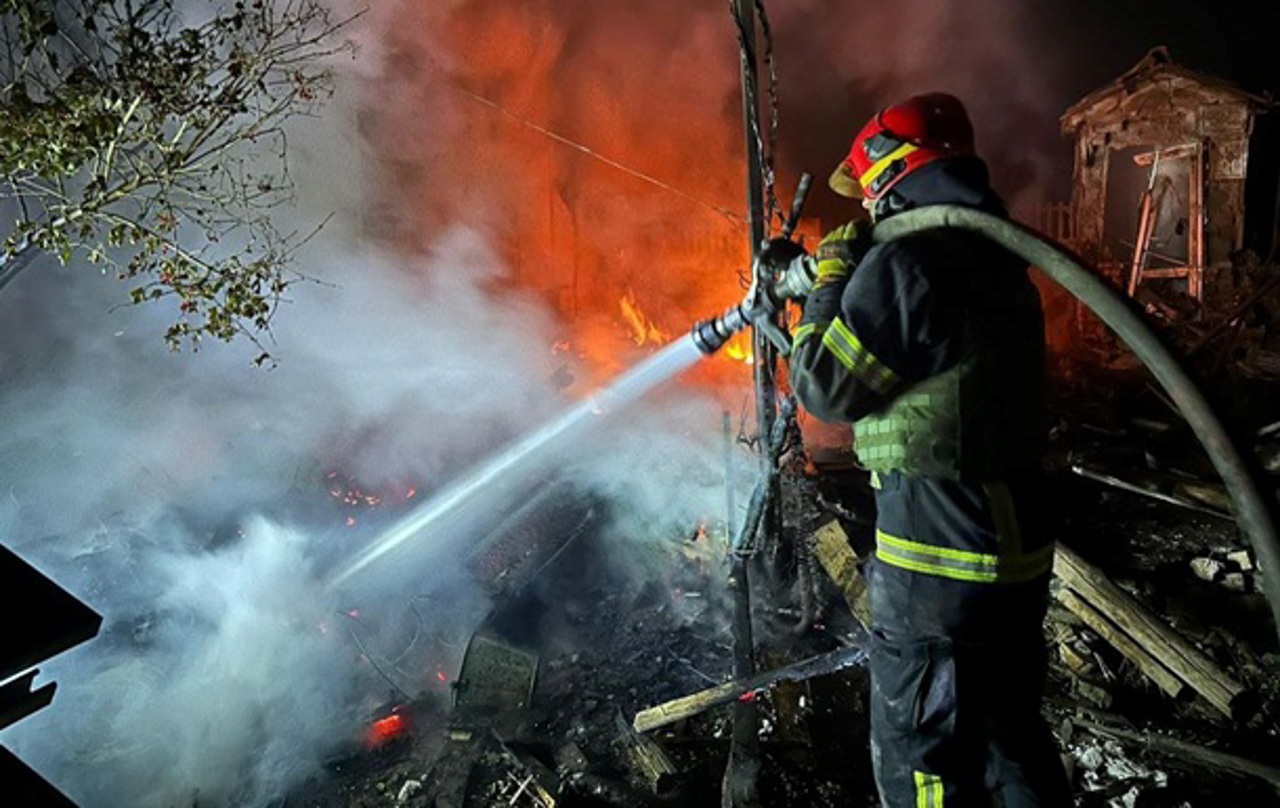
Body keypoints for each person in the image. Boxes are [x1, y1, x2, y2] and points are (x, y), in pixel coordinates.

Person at [785, 93, 1071, 807]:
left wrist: (827, 280)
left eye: (870, 189)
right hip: (1017, 545)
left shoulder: (908, 264)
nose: (868, 206)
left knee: (926, 754)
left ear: (890, 175)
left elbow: (823, 389)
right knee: (1010, 732)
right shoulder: (998, 259)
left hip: (938, 555)